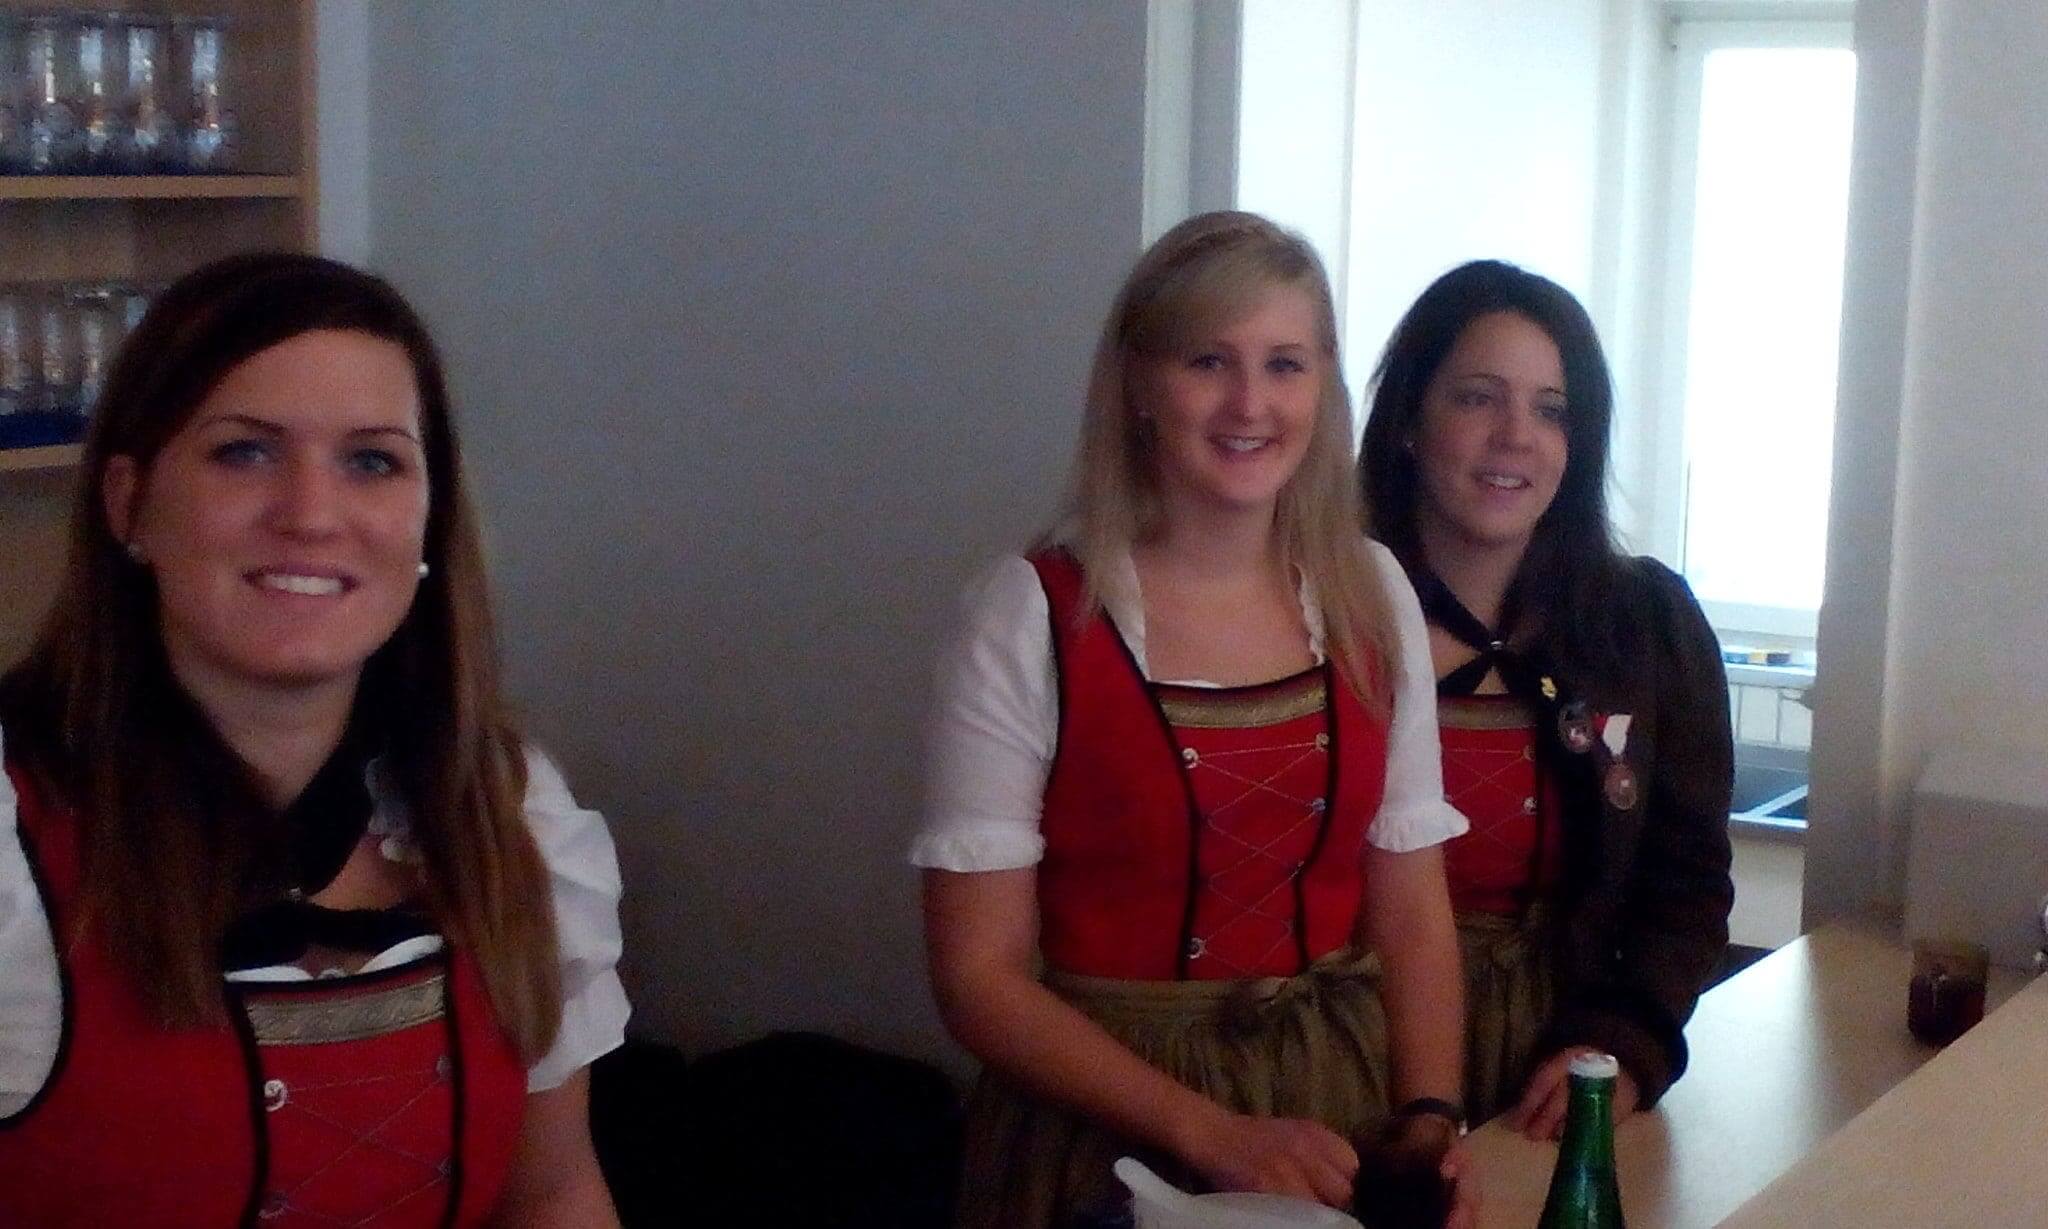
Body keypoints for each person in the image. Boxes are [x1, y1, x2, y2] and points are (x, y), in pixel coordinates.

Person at [0, 253, 629, 1226]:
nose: (311, 514)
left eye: (372, 460)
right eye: (244, 451)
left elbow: (551, 1193)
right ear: (129, 503)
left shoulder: (507, 811)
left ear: (428, 519)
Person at [914, 212, 1476, 1228]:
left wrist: (1432, 1120)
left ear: (1323, 384)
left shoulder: (1369, 591)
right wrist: (1211, 1131)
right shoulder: (1028, 612)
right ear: (1137, 382)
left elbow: (1410, 912)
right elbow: (976, 976)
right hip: (1103, 1127)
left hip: (1331, 1106)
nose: (1250, 403)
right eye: (1207, 361)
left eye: (1284, 364)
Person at [1358, 259, 1734, 1138]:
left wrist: (1625, 1046)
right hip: (1351, 1056)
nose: (1516, 436)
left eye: (1552, 410)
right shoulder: (1321, 616)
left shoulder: (1647, 624)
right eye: (1478, 398)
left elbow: (1685, 885)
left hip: (1558, 1067)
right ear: (1409, 419)